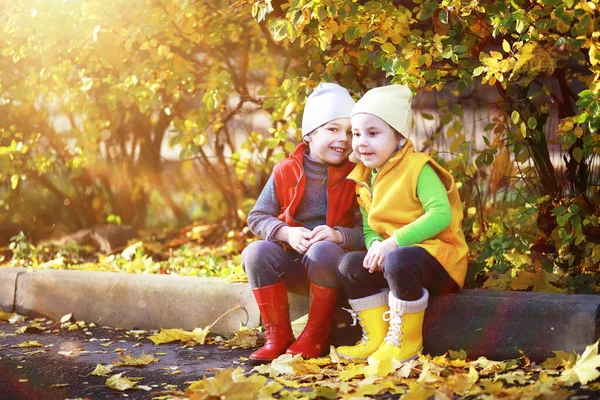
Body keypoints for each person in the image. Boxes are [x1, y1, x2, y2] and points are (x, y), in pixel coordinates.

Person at [335, 85, 469, 365]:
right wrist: (374, 248)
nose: (362, 142)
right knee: (349, 265)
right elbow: (371, 228)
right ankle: (377, 339)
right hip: (396, 257)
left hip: (439, 259)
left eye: (373, 133)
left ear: (398, 137)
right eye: (357, 134)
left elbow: (439, 215)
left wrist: (392, 244)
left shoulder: (418, 168)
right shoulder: (364, 177)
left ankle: (406, 344)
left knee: (398, 259)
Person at [242, 83, 364, 364]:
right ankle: (278, 335)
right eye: (333, 129)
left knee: (323, 250)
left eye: (349, 132)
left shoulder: (357, 176)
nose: (343, 139)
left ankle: (317, 333)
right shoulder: (285, 170)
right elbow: (257, 217)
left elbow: (365, 231)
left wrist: (337, 235)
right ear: (309, 134)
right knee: (255, 252)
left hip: (331, 267)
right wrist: (286, 232)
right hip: (293, 263)